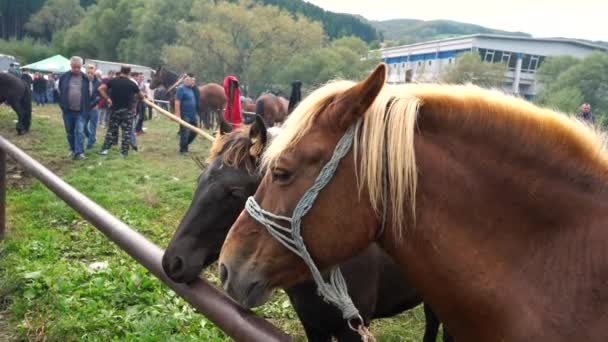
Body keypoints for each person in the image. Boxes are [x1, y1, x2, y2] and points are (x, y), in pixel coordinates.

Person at [97, 66, 146, 158]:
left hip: (115, 110)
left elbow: (100, 89)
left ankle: (104, 150)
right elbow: (142, 96)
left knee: (111, 131)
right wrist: (137, 97)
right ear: (129, 73)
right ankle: (124, 153)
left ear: (121, 71)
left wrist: (107, 99)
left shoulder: (113, 81)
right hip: (127, 111)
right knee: (126, 133)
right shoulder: (132, 84)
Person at [58, 56, 94, 160]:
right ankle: (72, 149)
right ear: (71, 66)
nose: (76, 69)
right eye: (74, 67)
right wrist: (63, 103)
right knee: (69, 132)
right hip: (67, 110)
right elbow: (59, 90)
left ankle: (79, 152)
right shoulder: (64, 77)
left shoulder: (86, 79)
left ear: (81, 66)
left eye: (78, 67)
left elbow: (90, 93)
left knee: (79, 131)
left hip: (81, 111)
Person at [175, 74, 200, 154]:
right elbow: (177, 101)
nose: (193, 82)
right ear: (187, 81)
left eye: (194, 81)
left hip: (193, 115)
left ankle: (184, 144)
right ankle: (183, 150)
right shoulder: (181, 89)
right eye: (192, 81)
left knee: (195, 131)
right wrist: (178, 114)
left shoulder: (191, 89)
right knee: (185, 132)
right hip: (184, 115)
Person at [83, 64, 101, 150]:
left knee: (92, 127)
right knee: (83, 126)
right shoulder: (84, 81)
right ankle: (92, 138)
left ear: (95, 72)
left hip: (94, 108)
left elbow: (103, 95)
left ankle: (89, 145)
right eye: (88, 72)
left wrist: (98, 105)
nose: (90, 74)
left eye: (91, 72)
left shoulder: (99, 83)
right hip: (85, 107)